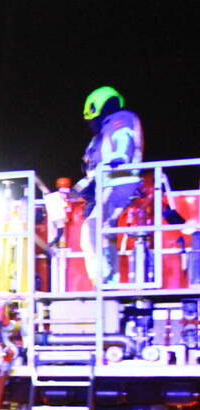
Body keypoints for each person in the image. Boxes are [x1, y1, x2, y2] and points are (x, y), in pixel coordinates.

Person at [73, 86, 144, 283]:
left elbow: (124, 141)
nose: (90, 124)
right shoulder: (101, 135)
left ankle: (103, 279)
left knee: (93, 228)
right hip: (109, 185)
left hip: (119, 182)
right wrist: (77, 191)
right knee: (101, 229)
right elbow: (93, 170)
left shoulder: (118, 120)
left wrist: (120, 156)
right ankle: (106, 278)